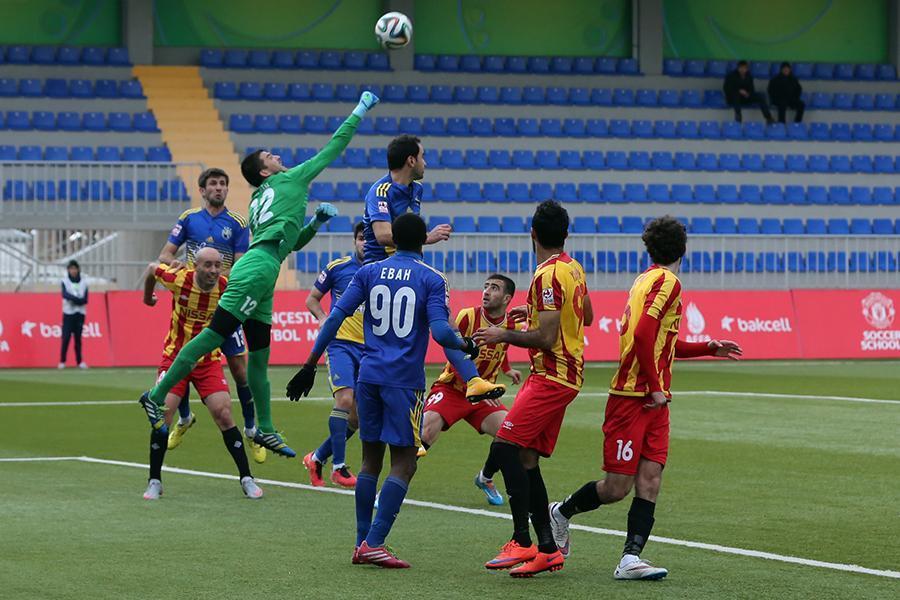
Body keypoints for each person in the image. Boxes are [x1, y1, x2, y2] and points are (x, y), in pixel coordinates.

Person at [138, 91, 381, 459]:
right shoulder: (292, 180)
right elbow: (334, 147)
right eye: (270, 156)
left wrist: (314, 223)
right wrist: (359, 111)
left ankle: (264, 428)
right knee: (212, 335)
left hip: (265, 266)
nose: (277, 156)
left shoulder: (258, 199)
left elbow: (287, 245)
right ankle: (156, 396)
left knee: (259, 355)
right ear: (264, 171)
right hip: (257, 268)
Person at [547, 216, 742, 581]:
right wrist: (654, 386)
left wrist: (706, 347)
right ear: (683, 249)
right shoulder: (668, 282)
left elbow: (660, 341)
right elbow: (642, 334)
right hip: (632, 397)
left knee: (650, 479)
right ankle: (560, 512)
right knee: (616, 488)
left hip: (654, 400)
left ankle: (630, 559)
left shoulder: (645, 280)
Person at [285, 213, 484, 569]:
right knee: (405, 462)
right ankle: (374, 543)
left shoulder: (368, 272)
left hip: (369, 376)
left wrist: (309, 364)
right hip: (403, 381)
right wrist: (465, 344)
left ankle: (361, 542)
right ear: (423, 241)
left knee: (370, 461)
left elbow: (334, 318)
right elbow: (441, 332)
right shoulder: (432, 278)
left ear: (392, 240)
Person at [472, 200, 593, 578]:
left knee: (504, 446)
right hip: (564, 374)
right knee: (526, 458)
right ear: (566, 235)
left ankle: (521, 540)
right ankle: (548, 550)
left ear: (533, 233)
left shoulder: (546, 275)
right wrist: (535, 312)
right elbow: (587, 315)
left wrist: (502, 333)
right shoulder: (573, 268)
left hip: (553, 374)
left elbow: (546, 338)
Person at [362, 134, 504, 404]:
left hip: (410, 266)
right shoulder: (380, 192)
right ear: (410, 160)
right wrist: (427, 237)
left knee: (444, 319)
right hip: (380, 271)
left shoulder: (415, 190)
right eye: (422, 156)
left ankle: (473, 381)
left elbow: (407, 234)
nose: (425, 163)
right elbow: (382, 235)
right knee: (435, 323)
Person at [156, 167, 263, 463]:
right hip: (192, 302)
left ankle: (251, 430)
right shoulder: (189, 218)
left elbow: (241, 266)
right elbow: (165, 255)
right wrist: (178, 266)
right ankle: (185, 418)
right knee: (183, 358)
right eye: (213, 184)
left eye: (223, 184)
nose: (219, 188)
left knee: (240, 370)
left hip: (225, 305)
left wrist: (216, 278)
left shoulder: (238, 223)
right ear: (202, 190)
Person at [140, 247, 264, 501]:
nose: (213, 270)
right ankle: (155, 481)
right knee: (163, 414)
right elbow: (152, 269)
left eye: (218, 265)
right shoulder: (179, 279)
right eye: (208, 265)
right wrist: (148, 297)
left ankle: (247, 478)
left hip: (207, 361)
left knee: (224, 413)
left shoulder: (226, 288)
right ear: (195, 266)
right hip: (175, 359)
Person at [420, 274, 523, 506]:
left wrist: (507, 370)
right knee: (424, 434)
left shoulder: (512, 325)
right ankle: (388, 490)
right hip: (453, 389)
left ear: (507, 298)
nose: (486, 291)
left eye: (494, 288)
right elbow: (453, 351)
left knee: (512, 436)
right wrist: (474, 385)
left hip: (483, 396)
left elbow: (501, 349)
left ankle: (485, 477)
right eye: (486, 286)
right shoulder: (468, 316)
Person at [302, 222, 366, 489]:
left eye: (369, 239)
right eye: (361, 238)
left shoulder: (382, 271)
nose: (365, 243)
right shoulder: (337, 267)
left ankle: (316, 458)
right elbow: (312, 299)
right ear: (354, 241)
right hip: (340, 344)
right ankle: (339, 468)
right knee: (345, 399)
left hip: (370, 349)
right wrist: (322, 319)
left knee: (357, 419)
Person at [723, 60, 774, 124]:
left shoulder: (749, 76)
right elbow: (726, 88)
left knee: (760, 97)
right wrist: (738, 91)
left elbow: (752, 89)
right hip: (733, 99)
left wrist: (748, 94)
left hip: (745, 97)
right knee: (736, 95)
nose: (742, 70)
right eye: (741, 68)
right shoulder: (731, 76)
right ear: (738, 68)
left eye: (744, 68)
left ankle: (768, 117)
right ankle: (738, 116)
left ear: (747, 69)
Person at [59, 259, 88, 369]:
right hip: (68, 313)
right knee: (66, 337)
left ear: (78, 269)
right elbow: (65, 294)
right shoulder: (65, 281)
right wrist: (76, 299)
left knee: (78, 339)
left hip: (80, 313)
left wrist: (77, 300)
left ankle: (79, 361)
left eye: (75, 269)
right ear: (68, 270)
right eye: (71, 269)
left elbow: (85, 299)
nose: (73, 271)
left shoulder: (84, 282)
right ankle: (62, 361)